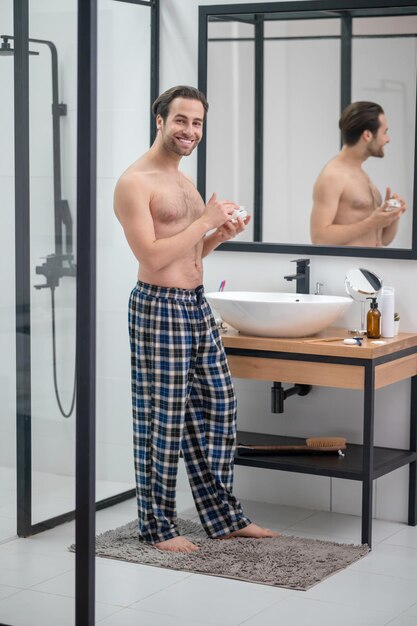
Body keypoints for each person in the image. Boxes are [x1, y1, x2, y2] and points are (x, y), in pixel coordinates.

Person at [114, 85, 278, 553]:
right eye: (182, 120)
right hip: (159, 306)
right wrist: (204, 221)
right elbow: (149, 254)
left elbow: (188, 249)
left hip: (195, 305)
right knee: (161, 419)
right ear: (160, 120)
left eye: (198, 123)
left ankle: (222, 516)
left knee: (219, 406)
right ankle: (157, 525)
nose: (190, 130)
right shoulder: (135, 182)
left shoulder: (184, 182)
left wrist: (218, 234)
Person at [310, 101, 406, 247]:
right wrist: (372, 222)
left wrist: (392, 216)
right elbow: (319, 237)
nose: (388, 139)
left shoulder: (363, 176)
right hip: (345, 268)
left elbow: (382, 240)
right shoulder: (333, 176)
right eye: (385, 132)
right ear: (367, 135)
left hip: (369, 266)